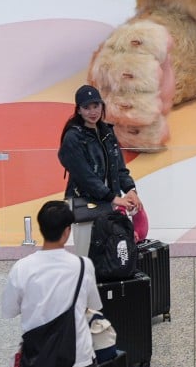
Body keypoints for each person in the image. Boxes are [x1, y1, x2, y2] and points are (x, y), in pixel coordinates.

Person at [1, 200, 105, 367]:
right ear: (67, 231)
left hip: (39, 360)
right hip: (77, 357)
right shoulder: (82, 266)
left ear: (40, 228)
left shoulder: (22, 269)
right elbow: (95, 305)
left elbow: (8, 310)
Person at [58, 84, 147, 256]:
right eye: (86, 107)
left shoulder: (107, 132)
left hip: (109, 203)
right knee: (87, 256)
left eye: (96, 105)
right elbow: (85, 177)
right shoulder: (73, 137)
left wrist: (131, 190)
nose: (93, 111)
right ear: (78, 110)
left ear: (102, 106)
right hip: (85, 203)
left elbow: (119, 168)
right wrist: (114, 198)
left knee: (111, 256)